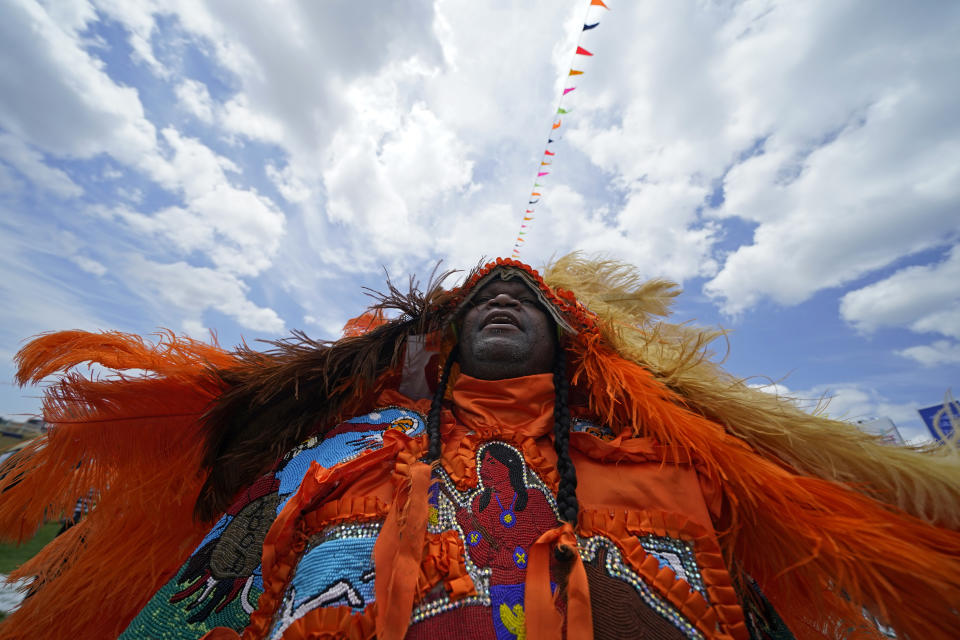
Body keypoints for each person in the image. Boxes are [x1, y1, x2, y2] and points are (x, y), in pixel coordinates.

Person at [1, 255, 959, 640]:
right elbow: (205, 606)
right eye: (478, 300)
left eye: (528, 299)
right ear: (438, 340)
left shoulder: (657, 471)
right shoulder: (338, 453)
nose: (502, 301)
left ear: (572, 344)